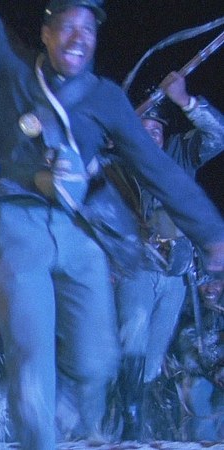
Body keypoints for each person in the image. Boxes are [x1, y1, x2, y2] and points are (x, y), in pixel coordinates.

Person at [0, 1, 224, 448]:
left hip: (79, 227)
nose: (78, 38)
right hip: (19, 222)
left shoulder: (105, 97)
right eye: (67, 26)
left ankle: (55, 409)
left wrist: (211, 232)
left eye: (87, 29)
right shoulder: (17, 70)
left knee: (99, 361)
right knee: (32, 359)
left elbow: (157, 168)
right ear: (46, 34)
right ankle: (37, 430)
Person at [114, 72, 224, 439]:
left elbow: (218, 135)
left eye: (156, 130)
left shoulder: (179, 154)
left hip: (177, 274)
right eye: (143, 129)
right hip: (137, 267)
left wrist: (185, 101)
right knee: (133, 332)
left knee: (154, 356)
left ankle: (135, 416)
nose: (152, 136)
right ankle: (128, 422)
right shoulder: (119, 162)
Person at [176, 277, 224, 441]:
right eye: (204, 283)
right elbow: (185, 347)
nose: (210, 289)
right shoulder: (186, 307)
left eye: (216, 282)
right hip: (199, 375)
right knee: (197, 391)